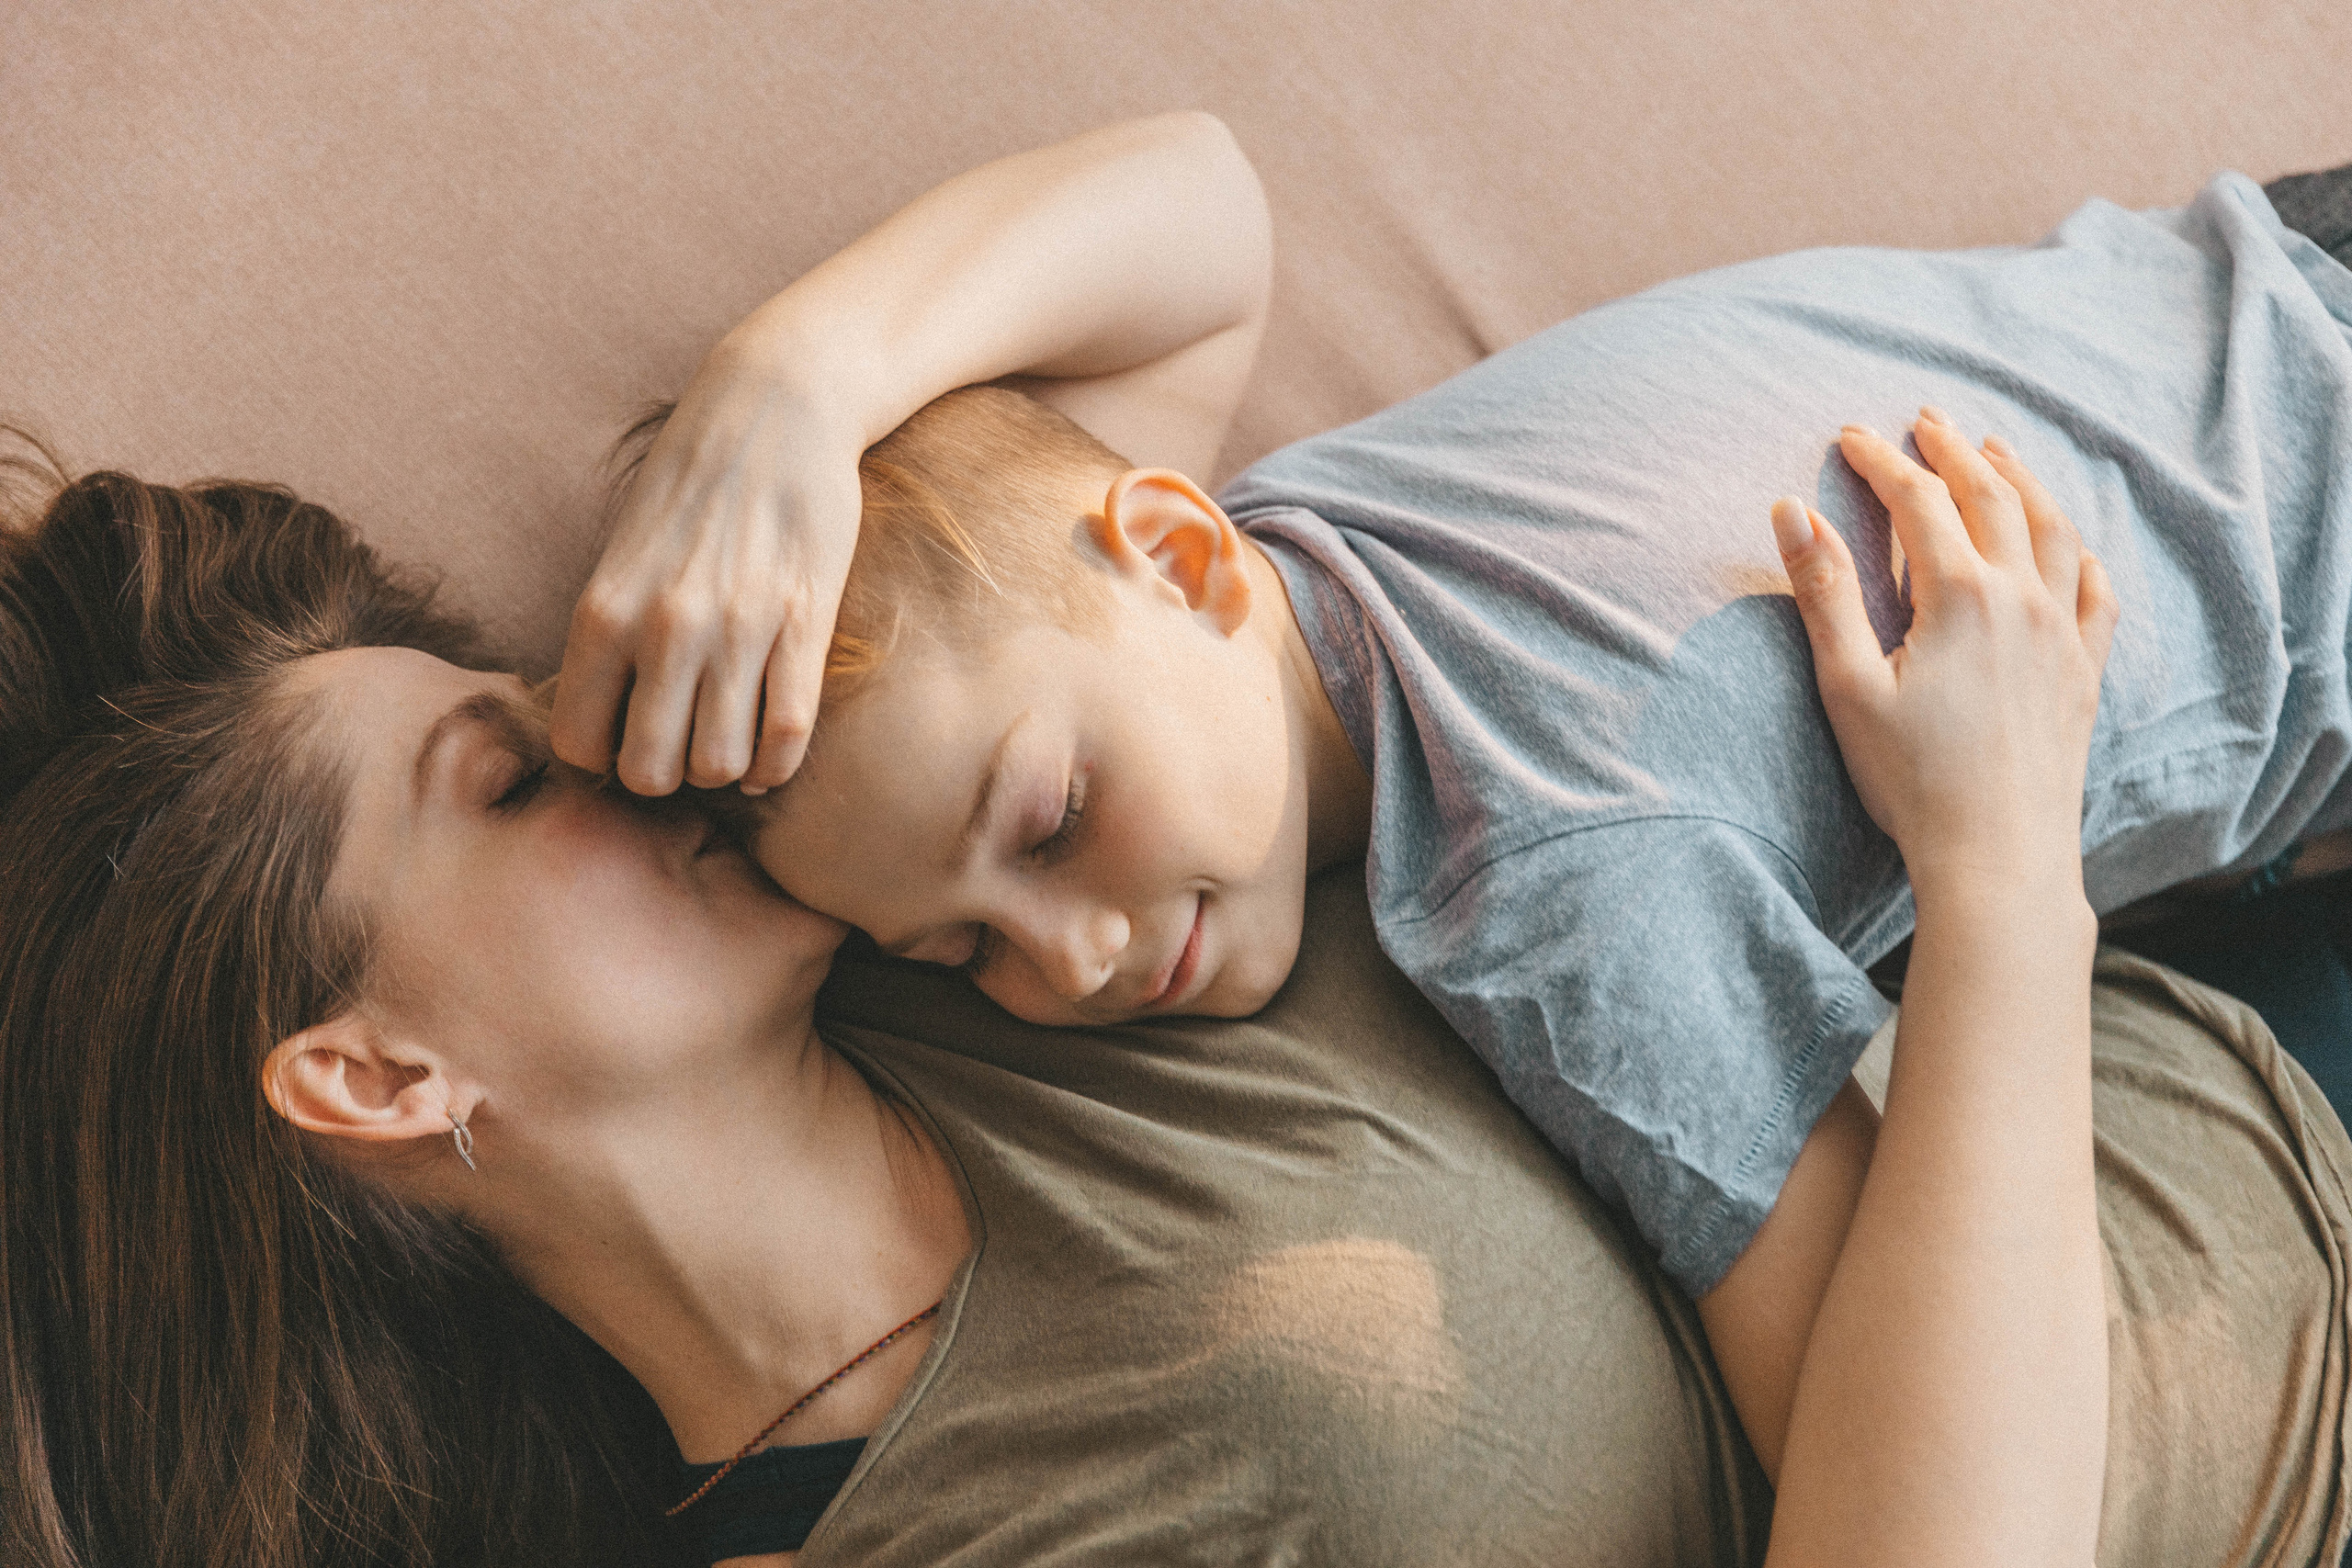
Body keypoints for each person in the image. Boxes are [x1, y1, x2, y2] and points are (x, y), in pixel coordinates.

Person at [559, 114, 2352, 1479]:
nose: (1075, 953)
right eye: (959, 948)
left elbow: (1189, 195)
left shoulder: (1539, 878)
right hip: (2261, 321)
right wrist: (1990, 865)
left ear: (1175, 548)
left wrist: (794, 384)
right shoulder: (1255, 600)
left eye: (1040, 822)